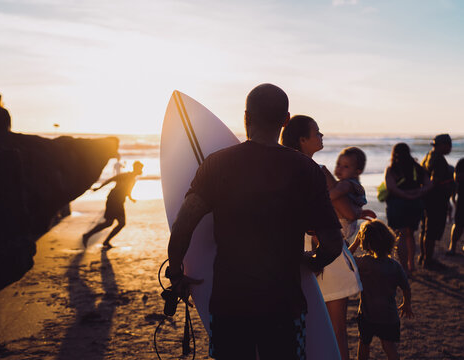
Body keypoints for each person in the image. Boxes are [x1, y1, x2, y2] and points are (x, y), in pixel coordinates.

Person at [167, 85, 343, 359]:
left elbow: (183, 224)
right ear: (285, 120)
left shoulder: (217, 164)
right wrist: (310, 262)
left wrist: (176, 271)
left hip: (230, 304)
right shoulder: (306, 170)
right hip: (285, 304)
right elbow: (333, 244)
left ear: (246, 117)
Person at [281, 116, 372, 360]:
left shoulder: (280, 172)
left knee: (303, 330)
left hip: (294, 258)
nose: (322, 136)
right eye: (317, 132)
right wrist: (353, 189)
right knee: (336, 332)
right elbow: (349, 213)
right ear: (302, 139)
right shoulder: (318, 173)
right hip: (328, 259)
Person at [349, 220, 413, 360]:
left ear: (367, 243)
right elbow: (406, 287)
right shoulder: (395, 266)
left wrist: (355, 243)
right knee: (389, 347)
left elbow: (346, 260)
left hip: (367, 315)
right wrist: (406, 303)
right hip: (389, 316)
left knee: (364, 344)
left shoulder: (365, 263)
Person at [384, 143, 432, 274]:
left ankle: (404, 267)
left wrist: (405, 195)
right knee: (410, 234)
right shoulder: (417, 167)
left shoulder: (392, 169)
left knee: (401, 235)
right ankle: (411, 265)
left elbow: (391, 187)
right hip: (415, 204)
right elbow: (428, 185)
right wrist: (417, 193)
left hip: (397, 204)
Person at [83, 161, 143, 249]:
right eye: (140, 168)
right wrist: (99, 188)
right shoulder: (125, 175)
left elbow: (127, 191)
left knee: (118, 223)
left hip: (119, 202)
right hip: (113, 201)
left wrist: (131, 198)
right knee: (111, 223)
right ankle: (88, 236)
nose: (141, 170)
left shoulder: (133, 179)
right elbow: (110, 180)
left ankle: (103, 240)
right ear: (136, 168)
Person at [419, 134, 453, 269]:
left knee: (425, 229)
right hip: (435, 200)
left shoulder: (429, 155)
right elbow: (434, 182)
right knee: (432, 230)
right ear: (441, 145)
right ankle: (428, 260)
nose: (450, 148)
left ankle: (424, 256)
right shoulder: (438, 160)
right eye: (448, 144)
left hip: (427, 199)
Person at [447, 158, 464, 255]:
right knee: (459, 223)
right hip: (462, 197)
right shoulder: (462, 162)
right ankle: (452, 246)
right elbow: (456, 177)